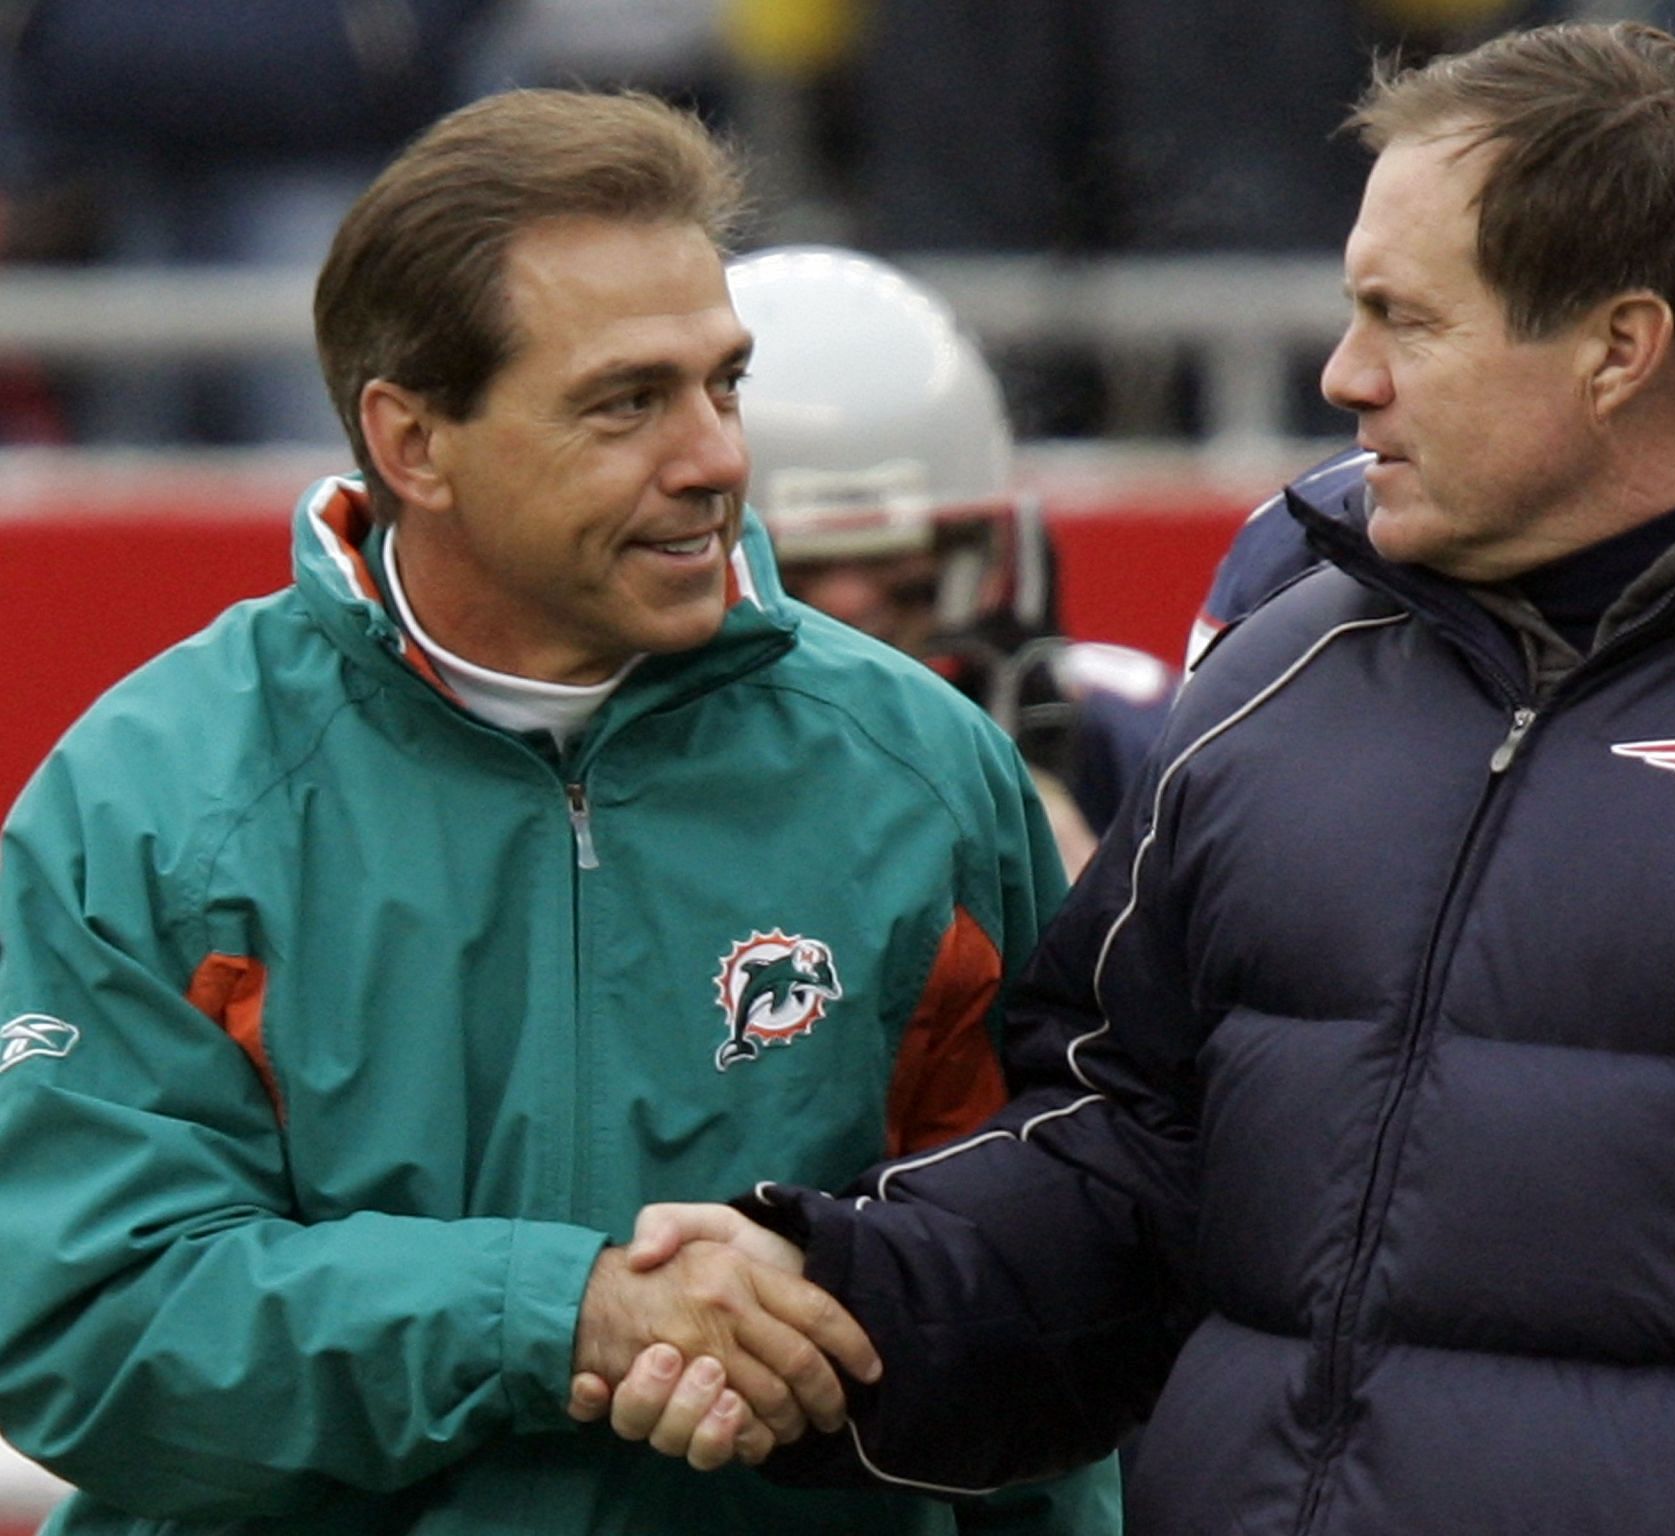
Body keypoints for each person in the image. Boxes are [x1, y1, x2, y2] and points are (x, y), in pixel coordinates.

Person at [585, 21, 1675, 1532]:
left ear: (1622, 348)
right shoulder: (1275, 671)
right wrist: (831, 1297)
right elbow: (1123, 1165)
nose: (1346, 375)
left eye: (1402, 319)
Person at [0, 88, 1119, 1535]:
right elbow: (88, 1321)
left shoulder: (920, 771)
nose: (717, 456)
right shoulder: (157, 794)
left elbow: (1050, 1316)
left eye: (725, 384)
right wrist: (562, 1316)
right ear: (414, 444)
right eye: (626, 401)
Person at [725, 244, 1177, 877]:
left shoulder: (1127, 744)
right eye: (795, 569)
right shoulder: (610, 756)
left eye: (898, 566)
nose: (849, 602)